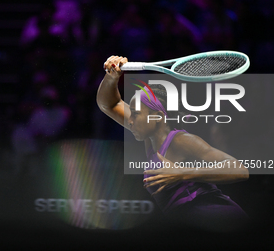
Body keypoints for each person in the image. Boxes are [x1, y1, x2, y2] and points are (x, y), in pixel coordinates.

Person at [97, 55, 249, 231]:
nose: (130, 120)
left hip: (225, 223)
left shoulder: (181, 140)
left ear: (158, 117)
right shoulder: (149, 139)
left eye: (136, 114)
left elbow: (240, 169)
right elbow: (109, 104)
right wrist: (111, 77)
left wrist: (182, 173)